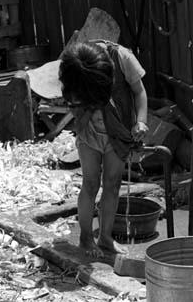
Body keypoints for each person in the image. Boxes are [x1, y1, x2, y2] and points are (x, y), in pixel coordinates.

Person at [59, 40, 149, 257]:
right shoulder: (73, 66)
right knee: (90, 184)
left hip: (117, 133)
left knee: (112, 184)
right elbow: (70, 99)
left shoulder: (123, 58)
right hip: (88, 132)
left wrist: (141, 122)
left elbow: (140, 93)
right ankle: (86, 238)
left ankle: (106, 238)